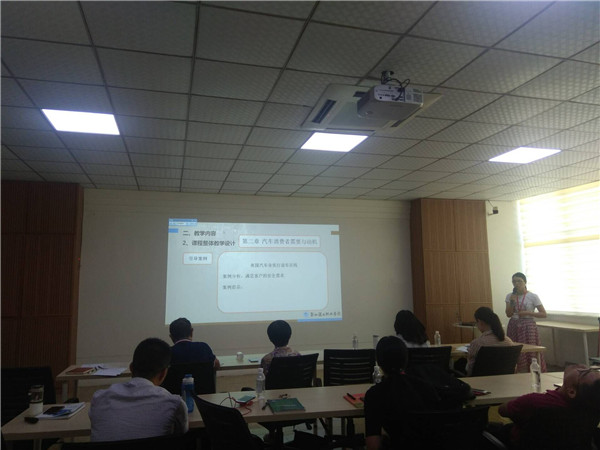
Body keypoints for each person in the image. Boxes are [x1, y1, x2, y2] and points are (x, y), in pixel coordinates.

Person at [89, 338, 188, 442]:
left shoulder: (99, 399)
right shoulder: (174, 403)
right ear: (163, 373)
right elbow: (183, 438)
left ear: (131, 368)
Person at [497, 364, 600, 448]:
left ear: (572, 392)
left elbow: (502, 410)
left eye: (583, 372)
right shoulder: (593, 409)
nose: (582, 366)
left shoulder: (535, 402)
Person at [505, 272, 547, 372]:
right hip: (514, 325)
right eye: (514, 281)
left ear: (525, 282)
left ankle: (532, 370)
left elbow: (543, 314)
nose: (516, 284)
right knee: (515, 349)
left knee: (531, 350)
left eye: (519, 281)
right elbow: (508, 314)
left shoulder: (533, 296)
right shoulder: (510, 296)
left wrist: (528, 313)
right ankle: (516, 371)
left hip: (528, 326)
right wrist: (512, 302)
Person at [466, 306, 515, 376]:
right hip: (504, 379)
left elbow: (470, 370)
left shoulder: (477, 343)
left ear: (480, 322)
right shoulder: (509, 341)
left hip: (479, 380)